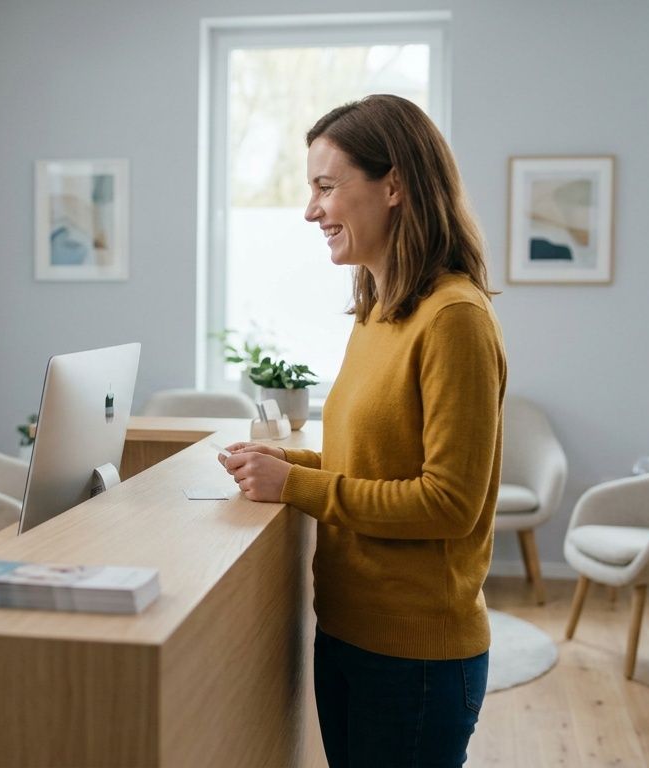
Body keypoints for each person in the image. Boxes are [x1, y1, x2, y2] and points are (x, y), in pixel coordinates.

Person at [220, 94, 506, 767]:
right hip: (348, 631)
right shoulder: (378, 309)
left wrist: (297, 484)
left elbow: (448, 502)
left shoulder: (453, 319)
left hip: (415, 657)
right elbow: (374, 461)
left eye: (326, 186)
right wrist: (288, 463)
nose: (311, 210)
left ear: (395, 185)